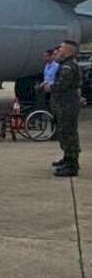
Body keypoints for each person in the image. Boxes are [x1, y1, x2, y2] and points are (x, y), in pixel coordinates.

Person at [44, 40, 81, 177]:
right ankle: (68, 158)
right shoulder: (65, 64)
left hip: (68, 104)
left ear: (68, 51)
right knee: (65, 132)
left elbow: (62, 85)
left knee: (69, 133)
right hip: (65, 103)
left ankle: (72, 165)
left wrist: (49, 87)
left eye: (61, 49)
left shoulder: (68, 66)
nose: (58, 51)